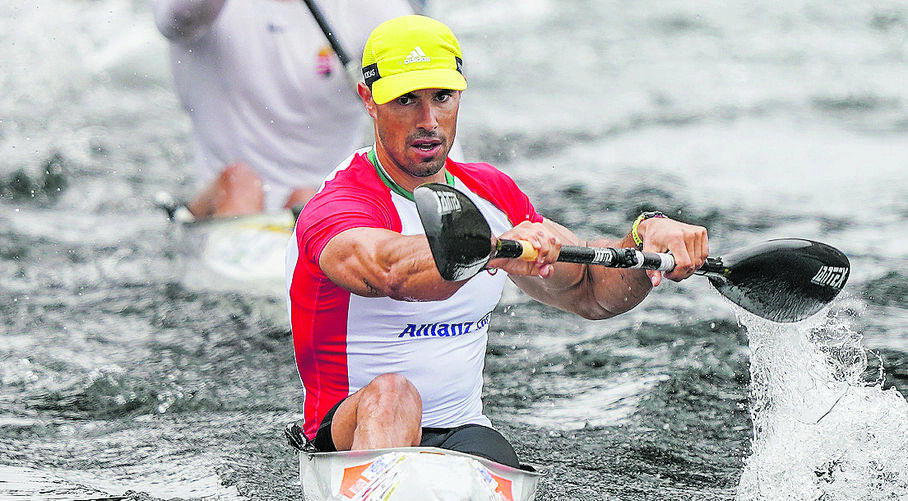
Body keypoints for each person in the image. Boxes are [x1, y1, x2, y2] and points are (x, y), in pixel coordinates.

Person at [286, 15, 709, 468]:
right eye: (405, 100)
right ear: (368, 100)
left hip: (461, 429)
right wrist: (496, 248)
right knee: (393, 395)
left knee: (503, 461)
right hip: (347, 432)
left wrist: (646, 241)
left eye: (442, 98)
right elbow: (389, 271)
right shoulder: (339, 204)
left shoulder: (491, 192)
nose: (428, 121)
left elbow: (588, 288)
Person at [151, 0, 414, 219]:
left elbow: (427, 115)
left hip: (323, 205)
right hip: (226, 203)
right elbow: (177, 17)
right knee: (241, 184)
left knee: (309, 199)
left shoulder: (374, 8)